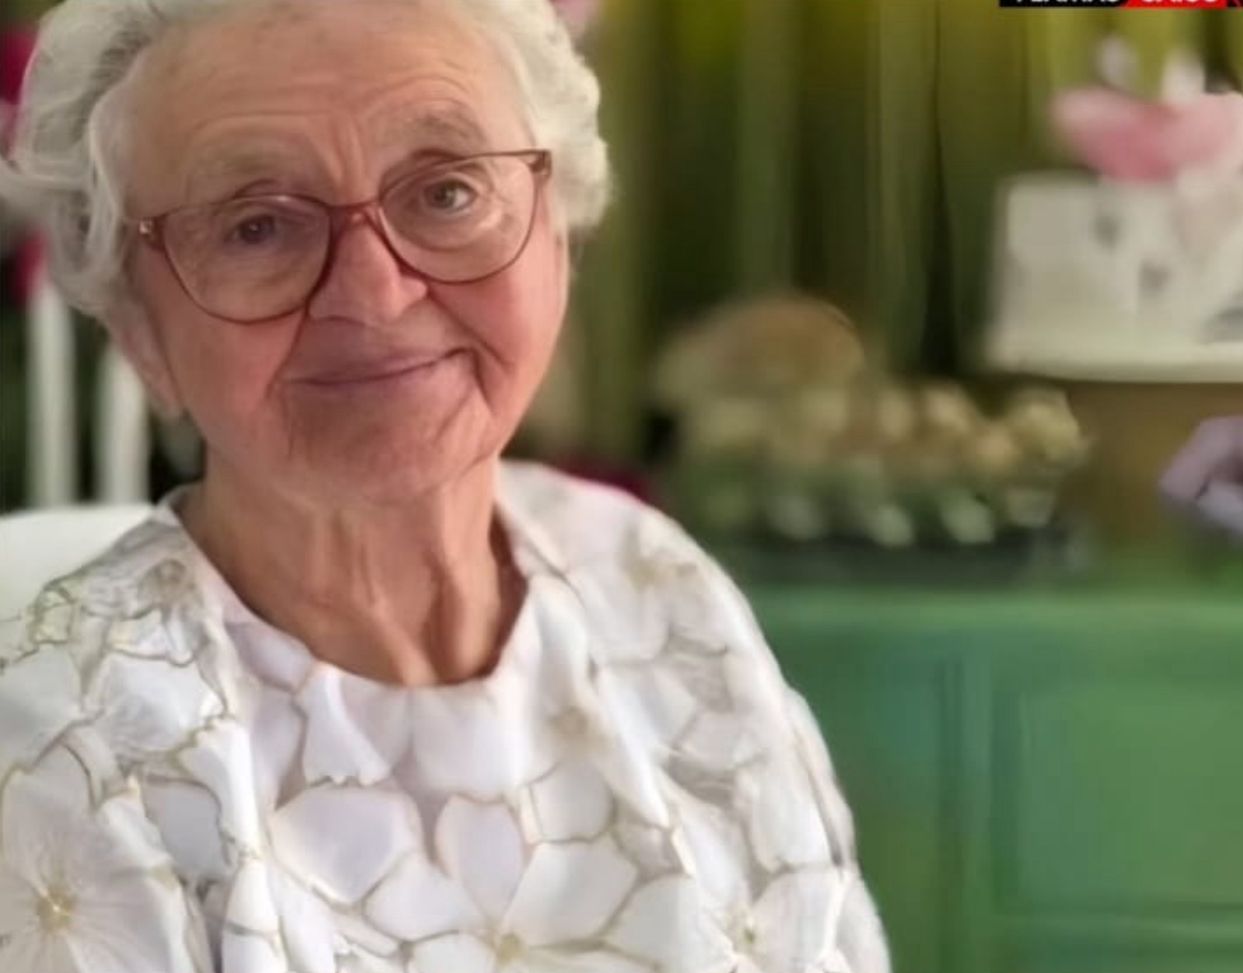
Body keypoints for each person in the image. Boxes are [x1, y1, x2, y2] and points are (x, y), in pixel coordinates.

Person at [0, 0, 890, 970]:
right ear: (137, 327)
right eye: (257, 226)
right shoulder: (62, 749)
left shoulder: (648, 578)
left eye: (446, 191)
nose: (374, 293)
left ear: (557, 237)